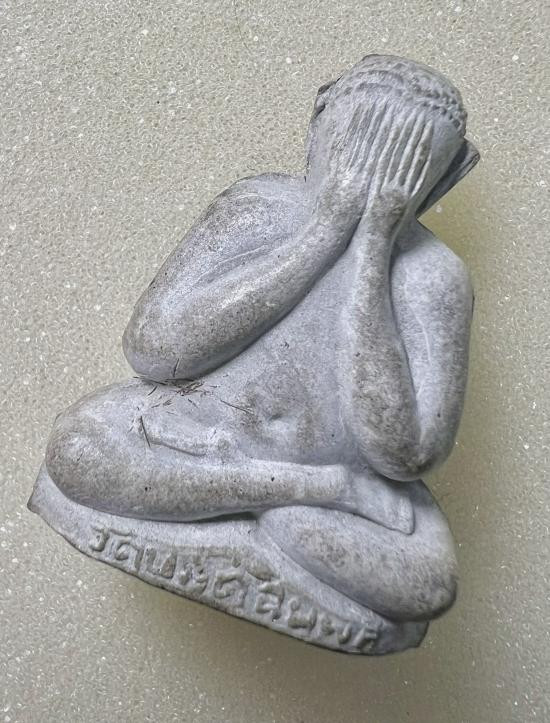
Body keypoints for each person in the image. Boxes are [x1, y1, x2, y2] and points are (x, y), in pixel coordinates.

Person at [44, 55, 478, 622]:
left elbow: (407, 454)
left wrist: (373, 247)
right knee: (78, 449)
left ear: (448, 174)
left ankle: (274, 499)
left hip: (331, 485)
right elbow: (153, 350)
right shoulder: (259, 207)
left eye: (402, 168)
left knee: (427, 584)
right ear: (317, 128)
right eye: (356, 149)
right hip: (194, 439)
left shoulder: (434, 275)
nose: (369, 180)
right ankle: (303, 488)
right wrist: (323, 232)